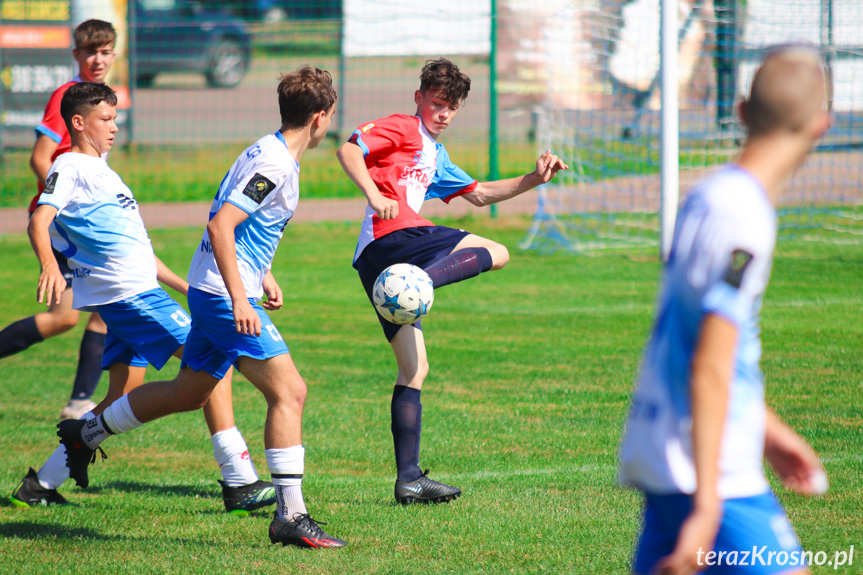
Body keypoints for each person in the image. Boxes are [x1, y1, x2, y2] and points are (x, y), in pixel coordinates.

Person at [52, 67, 346, 549]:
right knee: (290, 392)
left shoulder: (265, 150)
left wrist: (260, 271)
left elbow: (227, 219)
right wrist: (238, 297)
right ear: (321, 117)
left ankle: (86, 434)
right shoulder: (273, 164)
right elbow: (221, 226)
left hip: (218, 291)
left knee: (189, 392)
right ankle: (291, 515)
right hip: (224, 300)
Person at [12, 82, 275, 517]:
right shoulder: (71, 166)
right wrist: (49, 265)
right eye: (105, 119)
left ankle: (41, 483)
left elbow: (139, 254)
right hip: (129, 298)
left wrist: (188, 289)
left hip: (137, 294)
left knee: (119, 398)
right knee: (212, 364)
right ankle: (239, 480)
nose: (115, 127)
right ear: (78, 123)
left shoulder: (105, 173)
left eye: (116, 118)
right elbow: (39, 221)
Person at [618, 44, 832, 575]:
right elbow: (711, 360)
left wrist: (770, 432)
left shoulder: (706, 195)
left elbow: (694, 338)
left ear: (740, 112)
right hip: (712, 469)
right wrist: (710, 503)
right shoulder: (747, 220)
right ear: (821, 127)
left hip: (663, 446)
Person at [336, 57, 568, 504]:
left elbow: (479, 194)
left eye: (452, 108)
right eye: (438, 103)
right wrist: (372, 192)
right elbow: (349, 149)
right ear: (419, 97)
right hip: (397, 238)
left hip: (376, 263)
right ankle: (421, 280)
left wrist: (534, 180)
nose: (443, 113)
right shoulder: (404, 127)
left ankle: (409, 480)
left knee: (414, 369)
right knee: (498, 252)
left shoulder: (433, 153)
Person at [0, 19, 116, 420]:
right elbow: (39, 156)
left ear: (114, 54)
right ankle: (80, 402)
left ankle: (79, 401)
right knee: (80, 312)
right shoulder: (69, 95)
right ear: (76, 55)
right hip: (61, 223)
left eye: (105, 52)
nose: (97, 59)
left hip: (76, 222)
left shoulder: (100, 98)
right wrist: (59, 203)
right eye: (90, 52)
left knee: (74, 315)